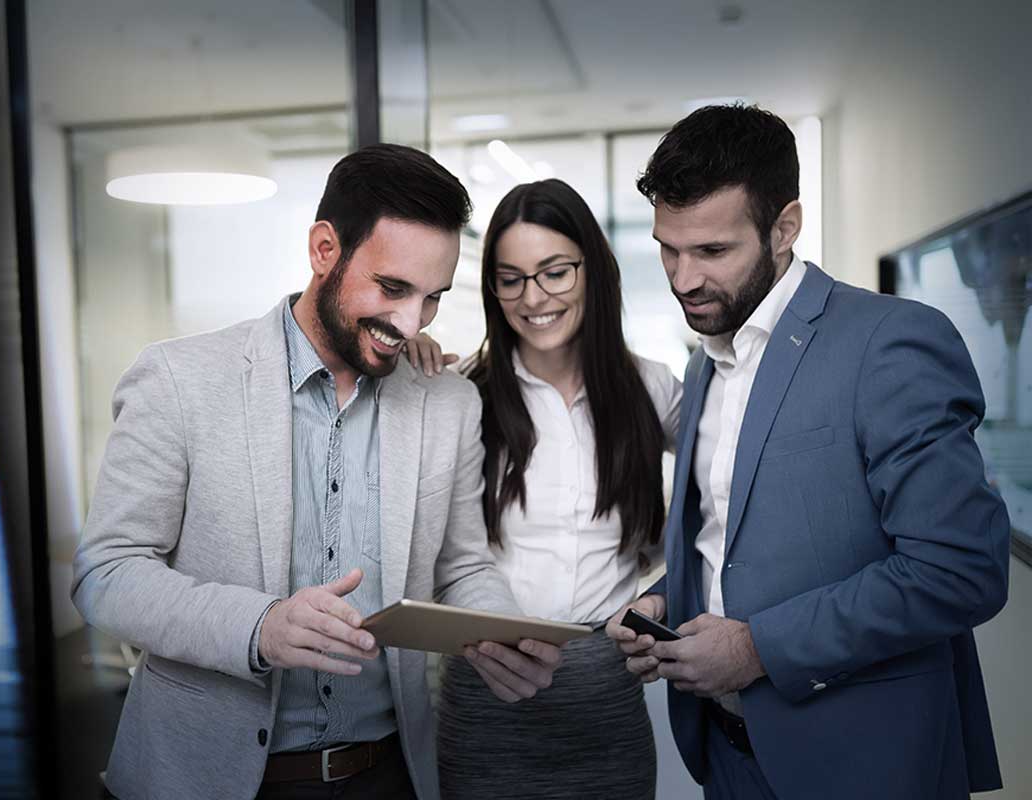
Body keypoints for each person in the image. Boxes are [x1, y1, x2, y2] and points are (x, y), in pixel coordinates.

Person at [72, 143, 563, 800]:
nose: (409, 322)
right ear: (324, 250)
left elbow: (463, 566)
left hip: (387, 776)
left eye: (432, 298)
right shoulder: (179, 380)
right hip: (199, 779)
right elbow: (107, 575)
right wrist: (259, 626)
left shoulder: (447, 401)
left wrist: (498, 630)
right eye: (392, 288)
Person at [605, 104, 1009, 799]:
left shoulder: (889, 342)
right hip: (727, 757)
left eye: (712, 251)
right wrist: (660, 601)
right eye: (668, 248)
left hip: (864, 764)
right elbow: (725, 535)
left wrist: (756, 648)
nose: (682, 279)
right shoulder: (706, 358)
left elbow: (961, 568)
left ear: (785, 227)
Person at [424, 178, 680, 800]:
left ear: (593, 268)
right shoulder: (462, 395)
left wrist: (667, 599)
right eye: (510, 278)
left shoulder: (652, 389)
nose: (532, 297)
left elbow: (731, 507)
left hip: (606, 701)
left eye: (554, 272)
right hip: (486, 698)